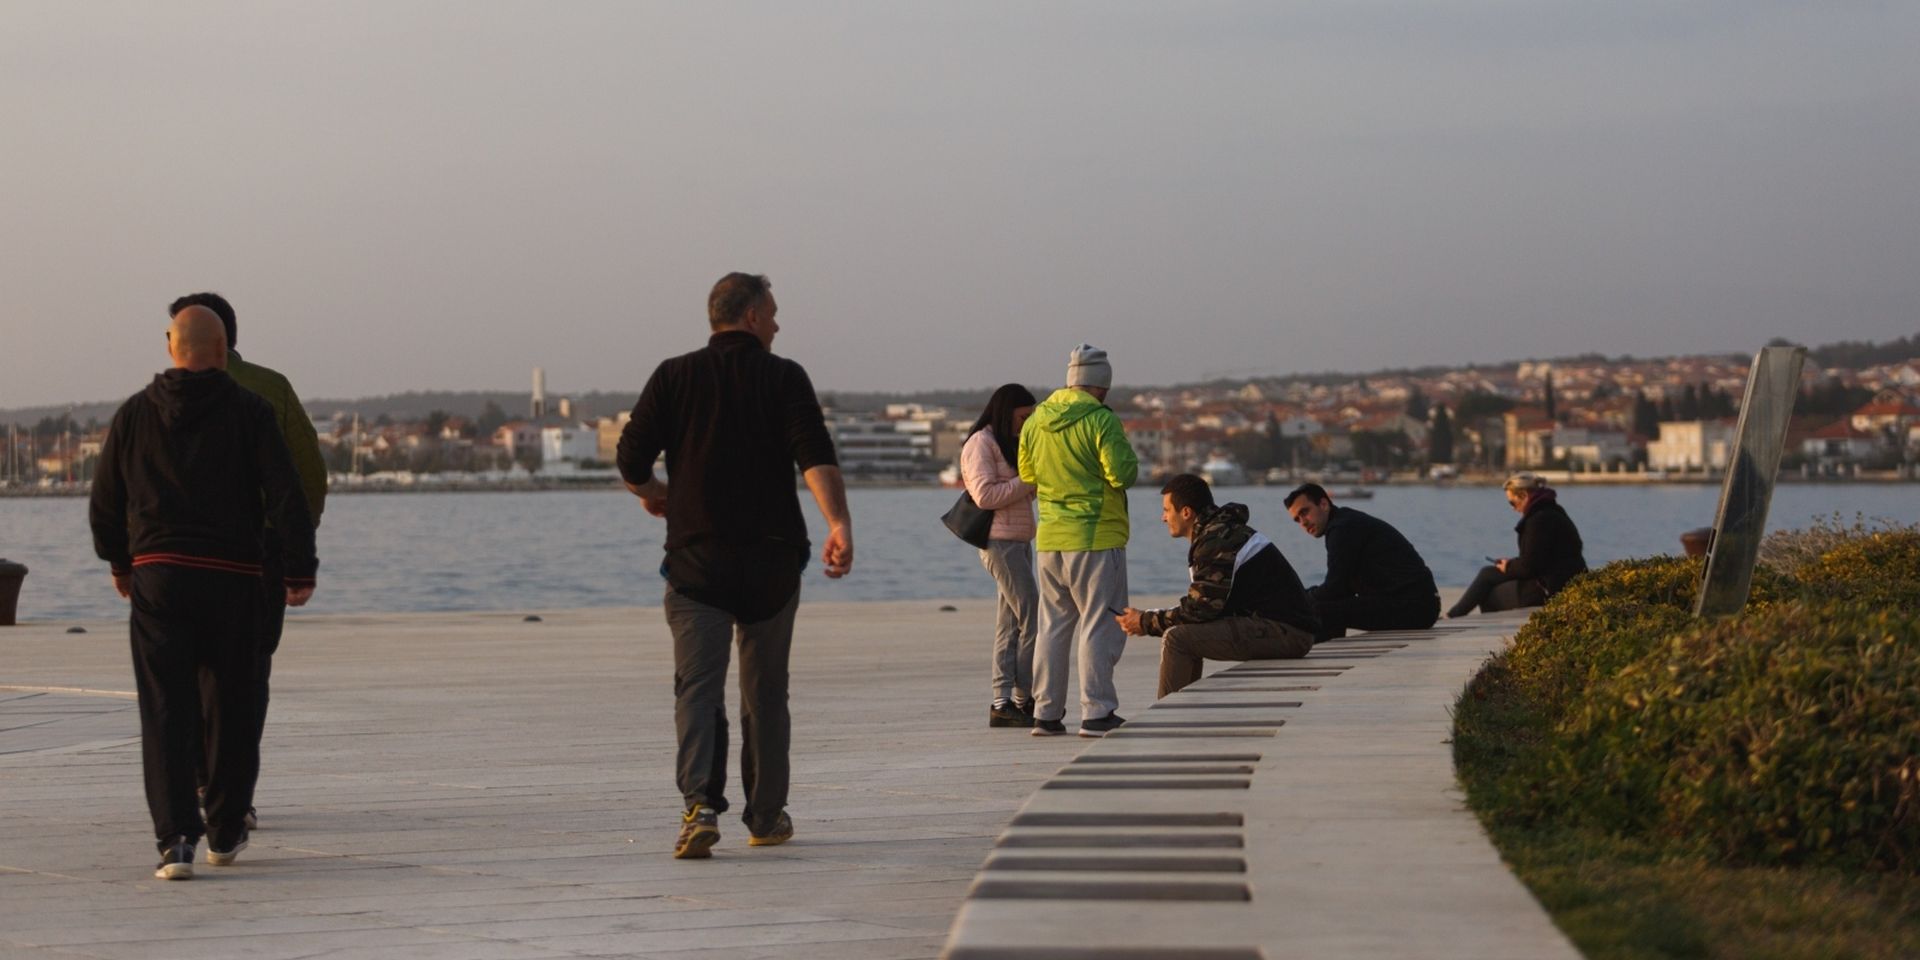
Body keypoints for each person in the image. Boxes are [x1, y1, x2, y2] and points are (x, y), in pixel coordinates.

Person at [616, 272, 853, 860]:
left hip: (697, 561)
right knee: (766, 693)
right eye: (771, 313)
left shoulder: (674, 375)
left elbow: (629, 458)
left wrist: (654, 492)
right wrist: (839, 525)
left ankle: (699, 807)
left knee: (697, 690)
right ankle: (766, 817)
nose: (777, 324)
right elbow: (814, 456)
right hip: (772, 562)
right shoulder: (785, 376)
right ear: (749, 316)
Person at [89, 306, 317, 880]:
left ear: (172, 346)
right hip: (234, 578)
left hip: (159, 576)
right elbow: (287, 491)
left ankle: (175, 841)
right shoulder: (251, 410)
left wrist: (121, 562)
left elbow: (105, 500)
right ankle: (224, 827)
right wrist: (298, 568)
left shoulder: (135, 414)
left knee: (165, 708)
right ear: (222, 350)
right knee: (234, 704)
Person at [169, 292, 327, 833]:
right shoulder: (270, 389)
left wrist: (129, 557)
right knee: (247, 676)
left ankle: (196, 781)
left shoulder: (157, 400)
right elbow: (307, 476)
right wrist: (295, 551)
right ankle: (232, 794)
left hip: (177, 561)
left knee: (186, 674)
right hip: (257, 560)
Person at [1017, 344, 1139, 738]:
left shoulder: (1036, 421)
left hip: (1050, 539)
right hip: (1096, 535)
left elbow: (1027, 473)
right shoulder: (1102, 420)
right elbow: (1122, 474)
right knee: (1099, 624)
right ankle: (1097, 712)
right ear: (1101, 385)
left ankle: (1046, 714)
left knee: (1053, 626)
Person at [1116, 475, 1319, 698]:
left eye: (1166, 510)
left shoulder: (1217, 540)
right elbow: (1204, 607)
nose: (1163, 517)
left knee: (1177, 639)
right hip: (1284, 628)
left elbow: (1199, 610)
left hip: (1288, 634)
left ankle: (1165, 717)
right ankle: (1181, 709)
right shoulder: (1219, 531)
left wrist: (1145, 622)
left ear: (1186, 512)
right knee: (1184, 634)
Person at [960, 383, 1040, 728]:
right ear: (1006, 412)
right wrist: (1028, 480)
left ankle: (1002, 701)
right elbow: (984, 496)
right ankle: (1022, 698)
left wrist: (1029, 483)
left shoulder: (1009, 443)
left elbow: (1018, 494)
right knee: (1032, 617)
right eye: (1023, 416)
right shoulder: (981, 443)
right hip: (999, 542)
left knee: (1010, 624)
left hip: (1018, 541)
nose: (1026, 423)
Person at [1283, 483, 1439, 640]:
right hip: (1419, 605)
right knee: (1323, 605)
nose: (1303, 522)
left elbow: (1334, 588)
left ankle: (1315, 650)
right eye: (1297, 519)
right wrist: (1303, 595)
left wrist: (1298, 600)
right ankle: (1331, 647)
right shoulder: (1344, 522)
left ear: (1323, 504)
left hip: (1415, 608)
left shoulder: (1342, 529)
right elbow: (1341, 589)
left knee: (1317, 609)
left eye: (1305, 512)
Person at [1447, 472, 1587, 617]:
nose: (1513, 508)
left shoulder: (1538, 520)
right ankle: (1454, 614)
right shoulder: (1552, 512)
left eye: (1512, 503)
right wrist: (1511, 564)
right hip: (1562, 581)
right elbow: (1538, 558)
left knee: (1489, 592)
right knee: (1488, 574)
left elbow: (1530, 567)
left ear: (1524, 495)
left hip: (1551, 588)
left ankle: (1453, 616)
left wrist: (1508, 566)